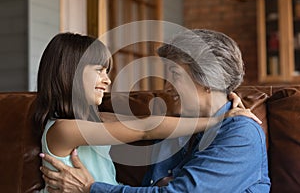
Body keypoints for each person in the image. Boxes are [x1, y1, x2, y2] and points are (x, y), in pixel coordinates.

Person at [38, 30, 268, 193]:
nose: (167, 87)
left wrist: (90, 189)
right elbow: (143, 126)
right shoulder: (178, 127)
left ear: (208, 79)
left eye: (174, 75)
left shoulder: (241, 134)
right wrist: (216, 118)